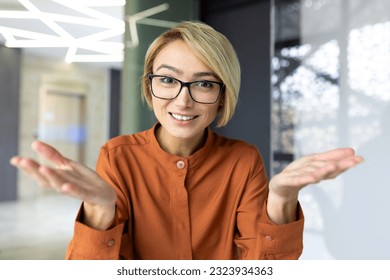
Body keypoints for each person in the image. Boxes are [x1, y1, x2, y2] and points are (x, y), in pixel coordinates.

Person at [9, 21, 363, 260]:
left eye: (204, 84)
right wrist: (101, 209)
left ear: (224, 96)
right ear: (150, 85)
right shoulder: (117, 157)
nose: (182, 100)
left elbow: (263, 268)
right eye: (168, 80)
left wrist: (282, 198)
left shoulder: (243, 160)